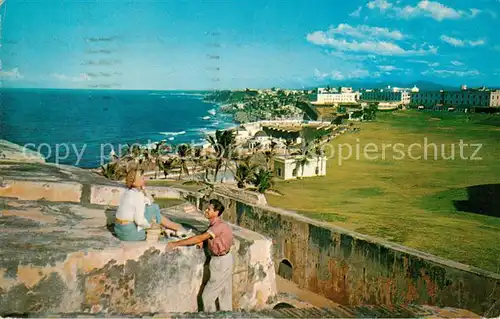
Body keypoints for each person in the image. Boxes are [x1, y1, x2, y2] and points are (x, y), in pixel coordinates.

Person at [167, 199, 234, 312]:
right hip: (224, 259)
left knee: (207, 297)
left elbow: (199, 238)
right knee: (224, 294)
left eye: (209, 209)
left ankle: (210, 316)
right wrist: (204, 240)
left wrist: (175, 243)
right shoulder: (215, 225)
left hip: (221, 261)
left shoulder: (218, 226)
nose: (206, 210)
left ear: (216, 212)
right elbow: (206, 235)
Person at [114, 169, 186, 241]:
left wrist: (143, 190)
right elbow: (139, 221)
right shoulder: (138, 196)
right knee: (154, 208)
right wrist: (150, 226)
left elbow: (148, 202)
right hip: (130, 235)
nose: (144, 180)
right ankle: (172, 227)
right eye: (142, 178)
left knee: (152, 207)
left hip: (119, 230)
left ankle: (170, 227)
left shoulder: (128, 192)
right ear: (134, 182)